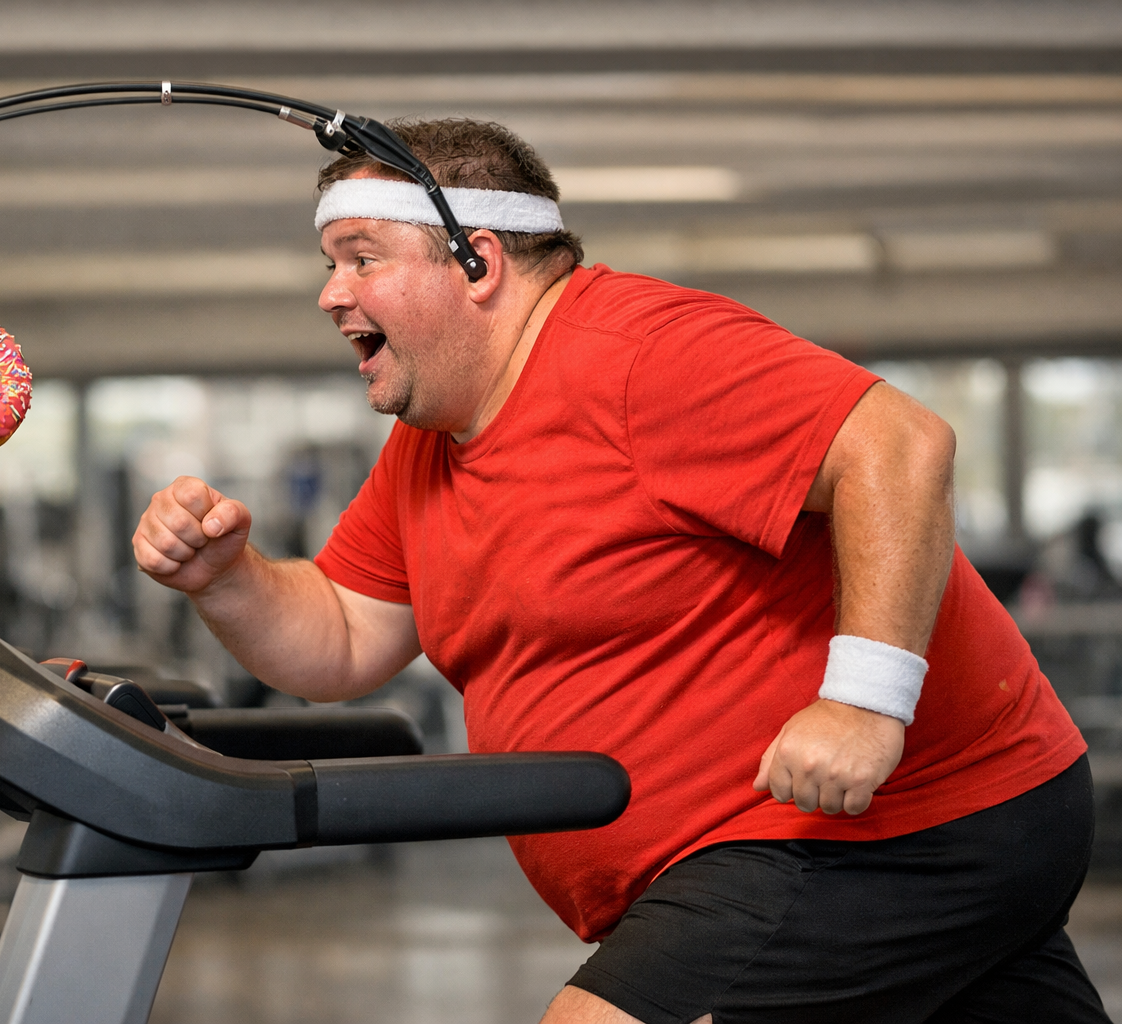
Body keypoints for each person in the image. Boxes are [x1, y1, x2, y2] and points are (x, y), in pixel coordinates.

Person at [132, 118, 1106, 1023]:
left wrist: (864, 701)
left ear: (477, 261)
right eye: (329, 263)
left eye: (361, 260)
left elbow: (900, 447)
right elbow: (343, 635)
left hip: (885, 828)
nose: (330, 292)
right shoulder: (433, 446)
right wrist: (228, 577)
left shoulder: (635, 355)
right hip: (885, 837)